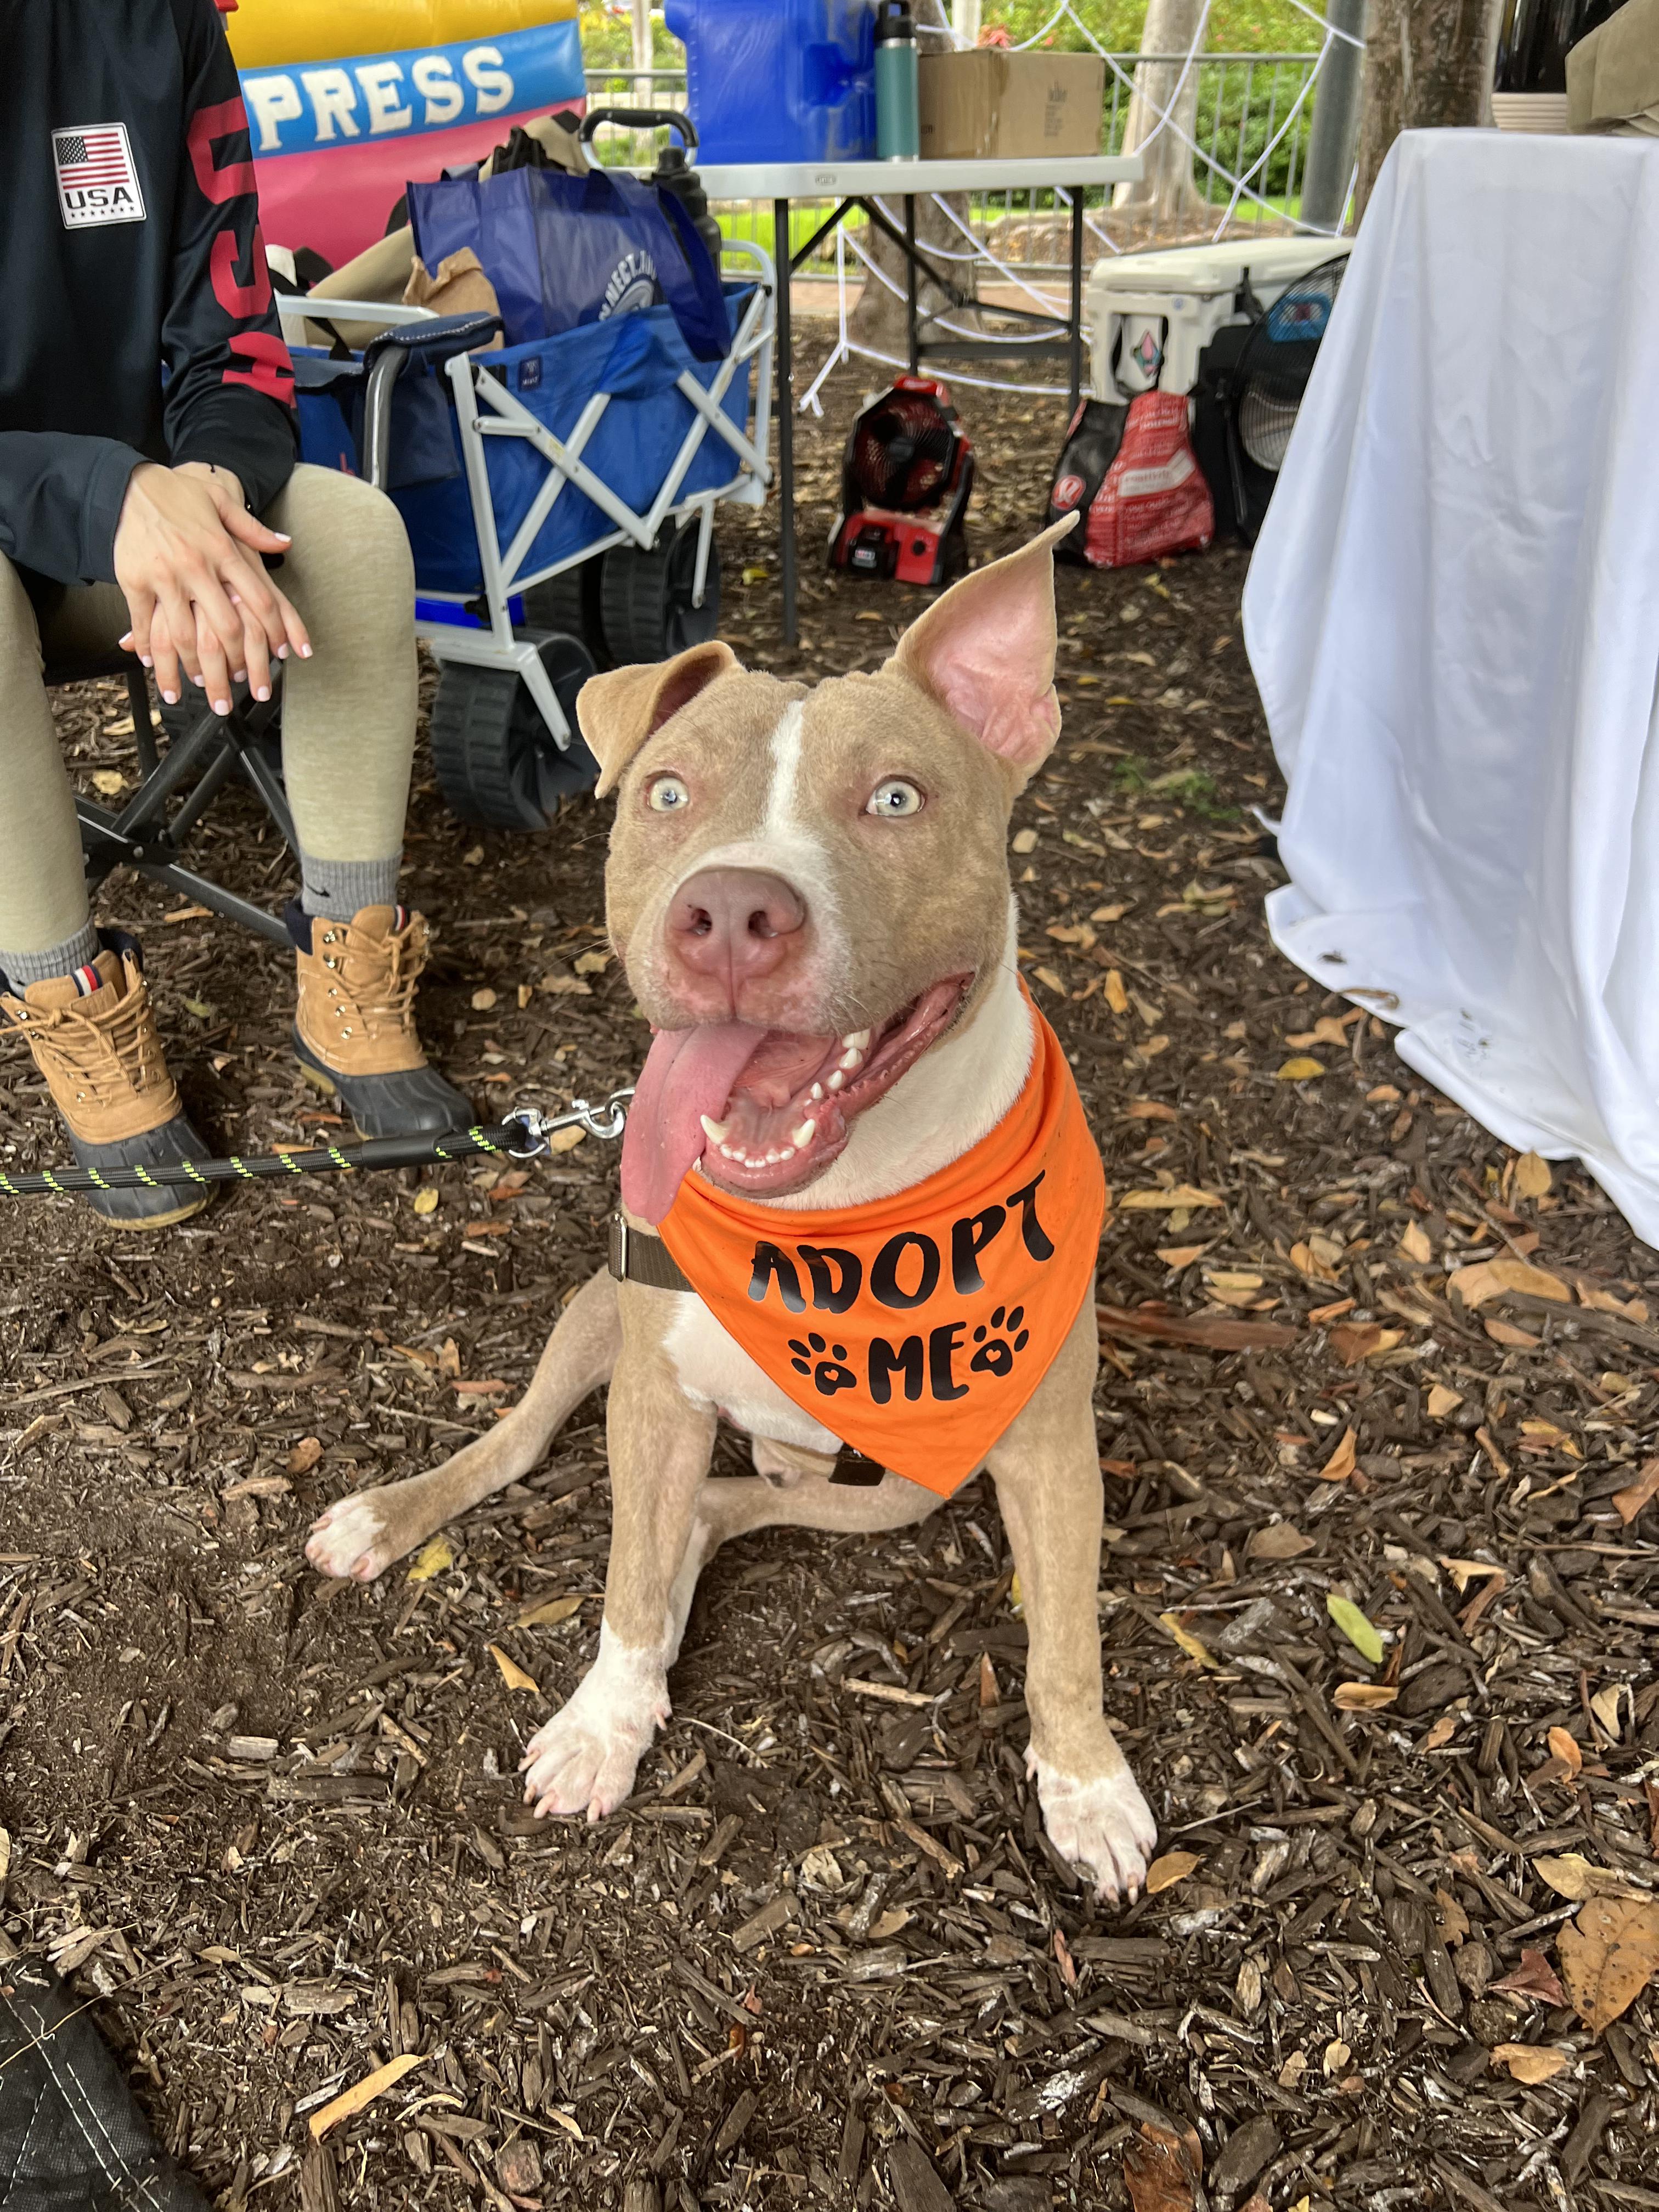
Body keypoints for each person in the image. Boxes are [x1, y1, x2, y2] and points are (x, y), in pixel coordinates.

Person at [0, 0, 472, 1229]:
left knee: (352, 533)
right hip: (73, 516)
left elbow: (234, 340)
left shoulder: (158, 24)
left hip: (150, 517)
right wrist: (111, 496)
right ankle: (70, 1005)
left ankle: (350, 963)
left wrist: (210, 483)